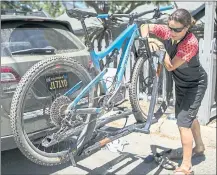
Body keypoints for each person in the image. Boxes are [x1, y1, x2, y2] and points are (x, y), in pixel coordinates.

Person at [140, 8, 208, 175]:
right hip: (182, 84)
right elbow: (145, 25)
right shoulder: (168, 31)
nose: (172, 32)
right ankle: (199, 146)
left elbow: (170, 66)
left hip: (195, 84)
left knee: (183, 122)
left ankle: (186, 167)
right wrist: (147, 39)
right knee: (187, 117)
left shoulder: (190, 43)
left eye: (177, 30)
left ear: (186, 28)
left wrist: (160, 48)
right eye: (170, 28)